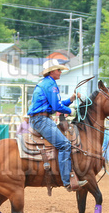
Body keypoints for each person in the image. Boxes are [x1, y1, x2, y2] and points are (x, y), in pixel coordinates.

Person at [27, 60, 86, 192]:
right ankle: (67, 181)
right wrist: (71, 111)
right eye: (58, 70)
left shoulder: (46, 83)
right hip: (42, 120)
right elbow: (56, 107)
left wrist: (70, 100)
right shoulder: (51, 85)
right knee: (65, 145)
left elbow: (55, 104)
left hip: (40, 118)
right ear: (52, 71)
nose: (60, 72)